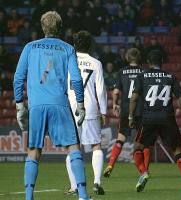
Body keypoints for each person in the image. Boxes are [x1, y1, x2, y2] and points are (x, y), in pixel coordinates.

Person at [13, 11, 92, 200]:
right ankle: (82, 196)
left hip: (37, 106)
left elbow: (18, 77)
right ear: (60, 27)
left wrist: (19, 106)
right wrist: (80, 104)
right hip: (60, 104)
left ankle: (29, 197)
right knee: (73, 147)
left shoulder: (30, 47)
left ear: (42, 27)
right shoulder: (67, 48)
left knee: (34, 150)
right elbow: (76, 78)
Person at [129, 50, 181, 193]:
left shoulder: (142, 76)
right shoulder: (170, 77)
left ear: (148, 62)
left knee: (137, 148)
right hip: (167, 118)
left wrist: (130, 117)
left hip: (149, 119)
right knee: (177, 151)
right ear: (162, 62)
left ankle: (143, 172)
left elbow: (133, 98)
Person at [65, 31, 107, 196]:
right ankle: (96, 182)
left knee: (72, 147)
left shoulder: (67, 61)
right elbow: (101, 89)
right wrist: (103, 110)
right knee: (96, 145)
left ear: (75, 45)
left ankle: (74, 186)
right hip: (89, 107)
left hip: (70, 108)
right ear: (90, 45)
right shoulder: (96, 63)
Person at [103, 48, 150, 177]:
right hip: (140, 110)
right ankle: (145, 170)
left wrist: (115, 104)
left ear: (127, 58)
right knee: (143, 142)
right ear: (139, 58)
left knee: (120, 138)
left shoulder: (122, 72)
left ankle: (111, 164)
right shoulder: (144, 72)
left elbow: (116, 92)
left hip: (125, 109)